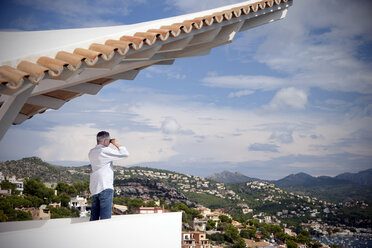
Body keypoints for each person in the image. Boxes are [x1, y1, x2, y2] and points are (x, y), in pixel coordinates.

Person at [88, 131, 129, 221]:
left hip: (94, 189)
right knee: (105, 220)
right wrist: (116, 144)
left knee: (93, 219)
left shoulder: (91, 152)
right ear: (106, 141)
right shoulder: (104, 151)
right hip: (105, 187)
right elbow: (125, 153)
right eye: (109, 141)